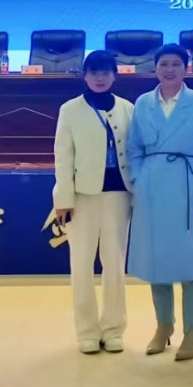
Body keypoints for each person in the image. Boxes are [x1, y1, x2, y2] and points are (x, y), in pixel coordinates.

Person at [126, 43, 193, 361]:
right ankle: (163, 325)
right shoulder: (143, 103)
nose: (169, 70)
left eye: (175, 64)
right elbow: (133, 148)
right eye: (164, 64)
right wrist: (138, 179)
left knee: (191, 262)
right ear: (155, 68)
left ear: (186, 68)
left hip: (188, 186)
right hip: (152, 187)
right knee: (157, 261)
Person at [52, 50, 134, 355]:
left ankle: (113, 330)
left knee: (115, 264)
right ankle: (86, 331)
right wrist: (63, 198)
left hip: (119, 194)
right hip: (82, 197)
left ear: (115, 75)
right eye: (94, 72)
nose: (100, 77)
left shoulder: (127, 108)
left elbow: (135, 153)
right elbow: (63, 156)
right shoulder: (70, 109)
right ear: (84, 76)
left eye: (105, 72)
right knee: (81, 264)